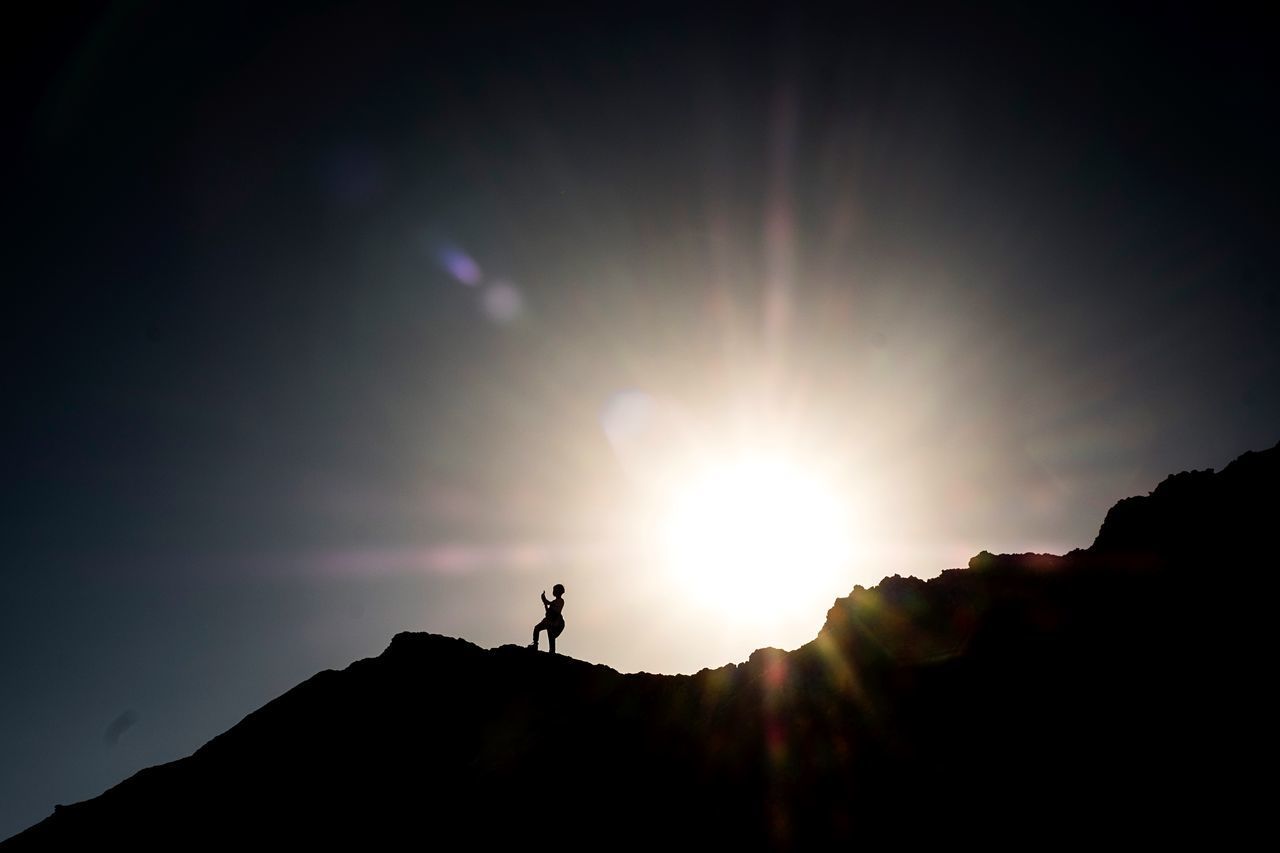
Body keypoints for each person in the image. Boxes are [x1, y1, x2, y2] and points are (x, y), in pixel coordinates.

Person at [529, 583, 566, 654]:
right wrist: (545, 603)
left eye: (555, 590)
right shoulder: (555, 601)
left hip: (555, 621)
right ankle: (535, 644)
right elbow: (548, 611)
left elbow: (549, 604)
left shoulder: (560, 601)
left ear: (559, 592)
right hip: (550, 620)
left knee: (550, 634)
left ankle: (551, 650)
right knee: (537, 628)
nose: (553, 591)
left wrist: (544, 600)